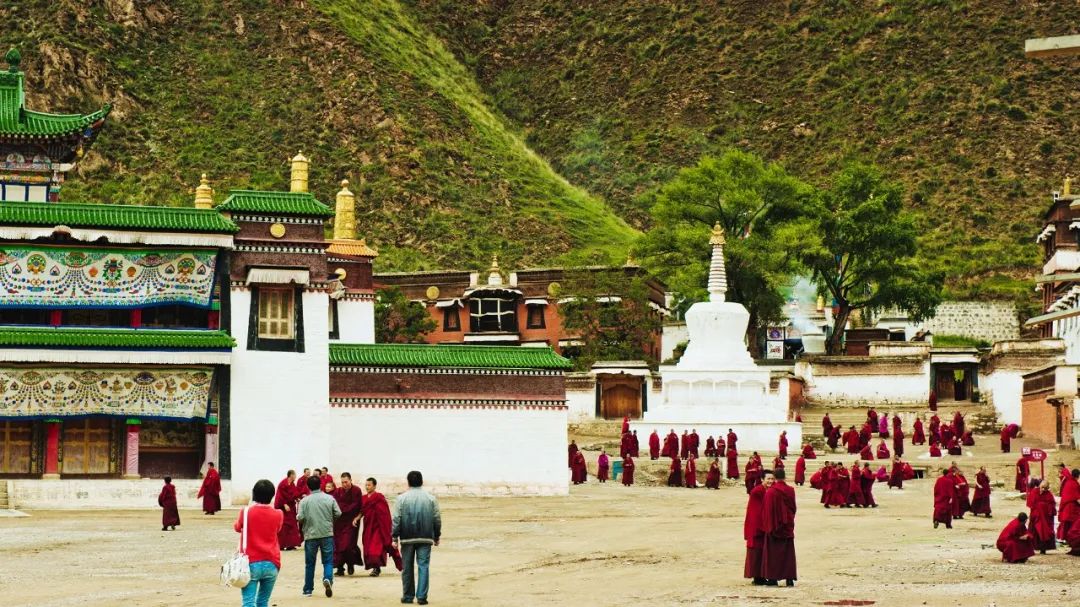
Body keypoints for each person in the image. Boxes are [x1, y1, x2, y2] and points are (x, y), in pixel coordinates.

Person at [392, 471, 441, 606]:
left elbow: (396, 519)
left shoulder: (401, 499)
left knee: (407, 568)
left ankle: (408, 596)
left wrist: (394, 537)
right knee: (423, 566)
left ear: (408, 482)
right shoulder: (431, 498)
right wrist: (436, 536)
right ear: (422, 481)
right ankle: (421, 597)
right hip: (425, 537)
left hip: (407, 538)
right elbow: (436, 519)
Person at [235, 479, 284, 607]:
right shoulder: (278, 514)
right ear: (272, 495)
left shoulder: (246, 512)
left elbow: (237, 527)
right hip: (272, 562)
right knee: (263, 602)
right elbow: (277, 530)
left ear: (254, 494)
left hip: (250, 563)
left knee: (248, 602)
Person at [298, 474, 341, 598]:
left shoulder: (304, 501)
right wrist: (329, 520)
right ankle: (327, 579)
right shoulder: (329, 498)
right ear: (321, 485)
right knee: (328, 561)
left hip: (310, 535)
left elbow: (300, 517)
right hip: (327, 533)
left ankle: (308, 589)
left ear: (308, 487)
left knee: (310, 563)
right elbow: (338, 513)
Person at [354, 477, 401, 577]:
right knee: (368, 547)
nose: (367, 487)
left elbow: (385, 513)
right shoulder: (364, 498)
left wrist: (386, 527)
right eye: (366, 485)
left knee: (376, 548)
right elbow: (362, 511)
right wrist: (357, 518)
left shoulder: (379, 497)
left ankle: (376, 568)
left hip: (378, 527)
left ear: (374, 486)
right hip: (368, 526)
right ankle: (375, 567)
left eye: (369, 485)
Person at [761, 468, 797, 587]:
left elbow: (767, 511)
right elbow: (793, 509)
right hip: (787, 527)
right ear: (785, 477)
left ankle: (773, 579)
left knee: (773, 554)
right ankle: (789, 579)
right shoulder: (791, 490)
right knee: (788, 554)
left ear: (775, 478)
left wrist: (768, 526)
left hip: (774, 527)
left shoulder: (771, 492)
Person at [743, 470, 774, 586]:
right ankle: (757, 577)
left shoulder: (770, 490)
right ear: (762, 479)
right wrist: (764, 525)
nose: (770, 481)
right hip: (756, 526)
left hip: (765, 525)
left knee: (764, 552)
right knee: (756, 551)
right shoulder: (757, 491)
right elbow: (756, 512)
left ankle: (762, 575)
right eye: (768, 479)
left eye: (772, 479)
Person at [331, 473, 364, 576]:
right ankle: (340, 568)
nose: (344, 484)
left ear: (350, 480)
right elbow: (335, 504)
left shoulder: (356, 490)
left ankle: (350, 564)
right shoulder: (338, 491)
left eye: (346, 482)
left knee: (349, 545)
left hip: (351, 522)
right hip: (339, 522)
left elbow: (356, 505)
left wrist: (343, 508)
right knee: (338, 545)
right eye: (342, 482)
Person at [275, 471, 302, 550]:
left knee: (293, 525)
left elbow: (294, 493)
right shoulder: (283, 483)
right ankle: (281, 545)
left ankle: (291, 545)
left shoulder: (292, 483)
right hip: (284, 508)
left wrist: (297, 498)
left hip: (291, 507)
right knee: (284, 526)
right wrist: (284, 504)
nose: (295, 476)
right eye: (295, 475)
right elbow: (280, 495)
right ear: (291, 475)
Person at [1028, 480, 1057, 554]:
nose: (1043, 489)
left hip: (1045, 518)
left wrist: (1043, 506)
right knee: (1035, 531)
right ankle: (1033, 547)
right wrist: (1039, 506)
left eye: (1045, 488)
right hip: (1036, 516)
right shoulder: (1034, 491)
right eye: (1042, 487)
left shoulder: (1049, 494)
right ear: (1040, 485)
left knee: (1044, 532)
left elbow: (1052, 504)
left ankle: (1043, 549)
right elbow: (1030, 503)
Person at [1059, 468, 1080, 542]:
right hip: (1072, 508)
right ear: (1078, 476)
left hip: (1066, 507)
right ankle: (1071, 539)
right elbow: (1077, 498)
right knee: (1073, 525)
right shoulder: (1074, 484)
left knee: (1066, 524)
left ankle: (1065, 539)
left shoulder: (1068, 482)